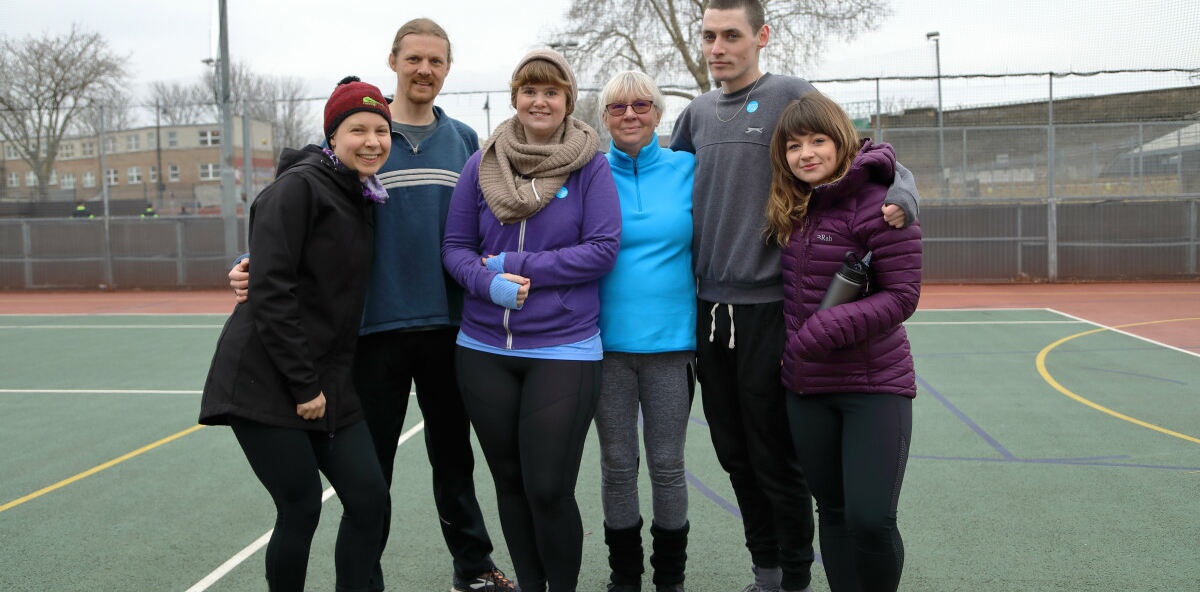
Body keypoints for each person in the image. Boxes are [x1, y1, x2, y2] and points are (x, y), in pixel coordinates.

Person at [228, 19, 517, 592]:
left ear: (447, 70)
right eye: (414, 59)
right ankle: (366, 577)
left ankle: (474, 567)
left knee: (454, 459)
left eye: (436, 61)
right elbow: (306, 209)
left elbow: (487, 227)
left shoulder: (463, 141)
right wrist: (253, 261)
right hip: (369, 331)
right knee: (371, 471)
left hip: (447, 323)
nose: (424, 70)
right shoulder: (360, 135)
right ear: (393, 60)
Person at [667, 1, 919, 591]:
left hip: (775, 310)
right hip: (708, 312)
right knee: (733, 453)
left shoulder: (788, 96)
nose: (717, 47)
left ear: (762, 37)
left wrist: (905, 194)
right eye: (708, 36)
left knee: (775, 456)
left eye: (731, 35)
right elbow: (660, 182)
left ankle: (797, 576)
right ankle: (767, 570)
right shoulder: (697, 115)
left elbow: (868, 155)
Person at [199, 77, 394, 592]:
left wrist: (320, 383)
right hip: (267, 379)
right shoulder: (298, 188)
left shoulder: (360, 194)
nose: (372, 140)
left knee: (370, 498)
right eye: (358, 130)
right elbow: (273, 291)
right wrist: (304, 385)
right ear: (333, 136)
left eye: (381, 130)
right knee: (301, 505)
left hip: (328, 378)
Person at [441, 49, 620, 592]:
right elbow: (454, 248)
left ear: (568, 100)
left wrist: (518, 267)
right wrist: (485, 282)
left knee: (548, 488)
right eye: (529, 91)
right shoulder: (481, 163)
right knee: (511, 484)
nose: (539, 101)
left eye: (551, 92)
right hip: (483, 348)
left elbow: (602, 249)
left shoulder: (591, 164)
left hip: (562, 348)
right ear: (516, 97)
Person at [768, 92, 921, 592]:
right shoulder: (791, 206)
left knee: (871, 519)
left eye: (817, 140)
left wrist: (819, 331)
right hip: (808, 388)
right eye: (794, 145)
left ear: (841, 141)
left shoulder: (884, 204)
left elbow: (902, 296)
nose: (805, 153)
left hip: (874, 386)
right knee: (831, 512)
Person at [594, 71, 694, 592]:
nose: (629, 114)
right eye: (617, 107)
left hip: (671, 348)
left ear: (658, 113)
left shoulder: (689, 169)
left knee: (667, 465)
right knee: (616, 465)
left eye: (640, 105)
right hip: (605, 348)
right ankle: (625, 577)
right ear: (605, 118)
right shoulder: (588, 172)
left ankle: (670, 578)